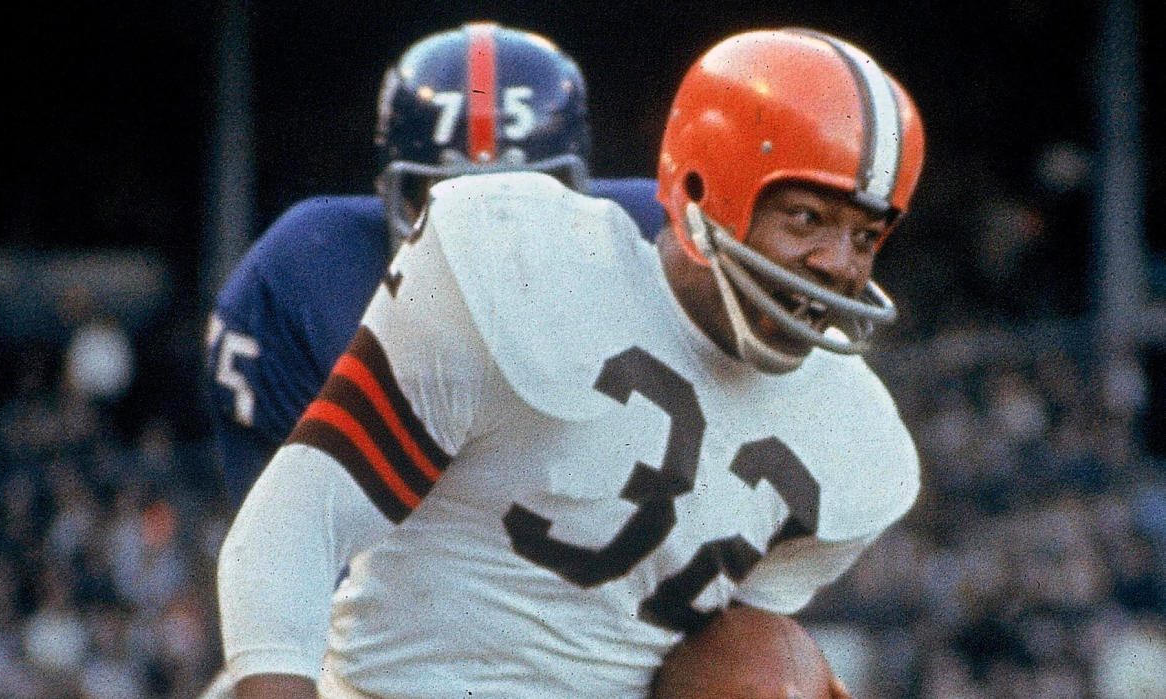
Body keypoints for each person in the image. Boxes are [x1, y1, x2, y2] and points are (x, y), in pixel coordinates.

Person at [218, 27, 926, 698]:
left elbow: (723, 656)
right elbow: (297, 521)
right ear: (702, 193)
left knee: (769, 668)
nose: (838, 264)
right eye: (806, 218)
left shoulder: (856, 438)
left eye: (865, 235)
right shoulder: (519, 268)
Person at [204, 22, 664, 507]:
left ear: (576, 191)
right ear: (396, 196)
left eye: (521, 197)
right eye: (454, 197)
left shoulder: (657, 248)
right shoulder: (304, 277)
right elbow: (292, 551)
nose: (491, 240)